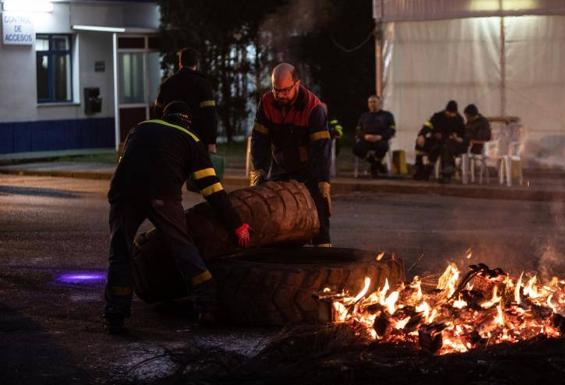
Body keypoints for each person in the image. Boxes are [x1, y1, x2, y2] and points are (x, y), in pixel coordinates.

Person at [104, 101, 252, 334]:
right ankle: (207, 305)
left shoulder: (140, 128)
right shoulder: (191, 139)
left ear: (165, 116)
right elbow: (212, 189)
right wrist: (236, 224)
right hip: (161, 195)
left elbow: (124, 162)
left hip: (123, 193)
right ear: (187, 121)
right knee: (183, 248)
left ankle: (115, 313)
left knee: (120, 253)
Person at [250, 63, 332, 247]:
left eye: (285, 91)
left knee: (318, 205)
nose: (280, 95)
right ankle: (285, 247)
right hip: (281, 164)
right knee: (274, 206)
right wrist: (259, 171)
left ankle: (323, 246)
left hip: (308, 166)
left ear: (297, 84)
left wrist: (322, 181)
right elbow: (259, 140)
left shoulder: (313, 107)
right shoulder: (266, 103)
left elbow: (321, 148)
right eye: (276, 90)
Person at [155, 48, 218, 153]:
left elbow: (157, 112)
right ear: (196, 64)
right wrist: (211, 142)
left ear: (180, 63)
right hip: (196, 140)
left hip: (171, 140)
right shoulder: (202, 84)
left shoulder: (167, 84)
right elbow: (209, 115)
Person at [413, 100, 465, 182]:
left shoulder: (459, 119)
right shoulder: (437, 116)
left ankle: (444, 174)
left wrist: (456, 138)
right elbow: (427, 126)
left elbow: (462, 134)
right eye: (448, 113)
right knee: (419, 143)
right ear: (445, 110)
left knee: (442, 147)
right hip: (435, 140)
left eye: (452, 114)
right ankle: (420, 168)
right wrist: (422, 135)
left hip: (449, 143)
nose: (450, 115)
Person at [352, 95, 396, 177]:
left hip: (380, 139)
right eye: (370, 102)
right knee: (356, 148)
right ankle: (376, 163)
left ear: (379, 103)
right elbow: (358, 130)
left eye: (374, 102)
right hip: (366, 140)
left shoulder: (387, 115)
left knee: (383, 146)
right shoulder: (364, 116)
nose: (372, 104)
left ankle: (374, 165)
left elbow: (392, 130)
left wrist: (381, 137)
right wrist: (364, 136)